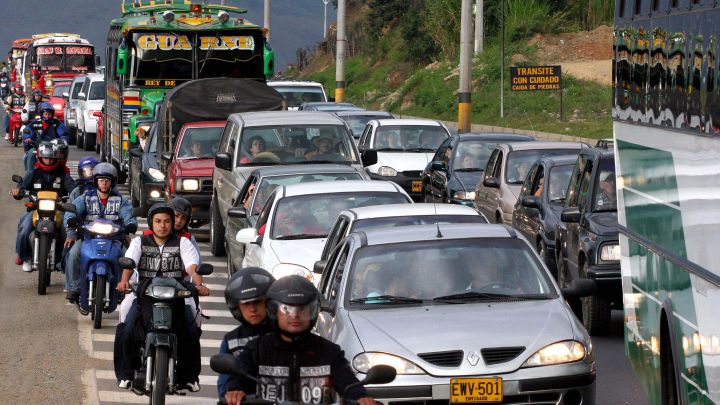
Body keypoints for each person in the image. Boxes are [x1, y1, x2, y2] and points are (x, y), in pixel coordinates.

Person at [226, 275, 375, 405]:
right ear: (274, 311)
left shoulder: (329, 351)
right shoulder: (257, 349)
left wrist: (360, 397)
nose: (295, 315)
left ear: (312, 310)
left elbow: (348, 382)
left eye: (302, 309)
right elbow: (240, 375)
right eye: (287, 309)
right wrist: (235, 390)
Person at [113, 203, 210, 392]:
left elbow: (192, 267)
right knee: (126, 330)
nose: (163, 225)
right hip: (143, 294)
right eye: (158, 221)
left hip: (176, 295)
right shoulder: (139, 242)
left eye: (167, 221)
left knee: (191, 332)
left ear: (173, 223)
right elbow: (129, 263)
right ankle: (125, 374)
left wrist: (199, 284)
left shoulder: (183, 242)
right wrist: (124, 281)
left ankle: (189, 377)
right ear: (151, 223)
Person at [63, 163, 136, 308]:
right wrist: (71, 221)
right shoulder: (85, 198)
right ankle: (73, 288)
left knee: (128, 259)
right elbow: (72, 210)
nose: (104, 183)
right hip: (88, 238)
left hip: (114, 239)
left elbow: (128, 214)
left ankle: (123, 288)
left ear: (112, 181)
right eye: (101, 179)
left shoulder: (121, 200)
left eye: (107, 180)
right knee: (73, 255)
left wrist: (130, 223)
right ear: (96, 181)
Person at [10, 141, 74, 272]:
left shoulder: (63, 174)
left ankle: (63, 260)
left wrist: (76, 194)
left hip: (58, 210)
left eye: (51, 158)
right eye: (46, 158)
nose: (49, 161)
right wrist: (18, 191)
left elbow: (73, 189)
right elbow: (22, 186)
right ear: (40, 157)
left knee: (66, 231)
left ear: (56, 158)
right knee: (24, 227)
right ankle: (25, 257)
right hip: (35, 209)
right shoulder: (34, 173)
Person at [218, 267, 276, 402]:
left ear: (268, 302)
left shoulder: (284, 334)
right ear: (237, 307)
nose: (253, 309)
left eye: (257, 302)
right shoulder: (230, 340)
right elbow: (225, 382)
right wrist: (231, 392)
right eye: (246, 304)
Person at [22, 102, 68, 174]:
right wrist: (28, 138)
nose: (47, 116)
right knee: (30, 154)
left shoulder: (57, 123)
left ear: (52, 114)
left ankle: (63, 175)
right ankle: (29, 174)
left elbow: (64, 134)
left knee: (62, 159)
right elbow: (27, 132)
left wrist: (63, 140)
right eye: (45, 114)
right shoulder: (34, 123)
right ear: (41, 114)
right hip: (37, 148)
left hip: (54, 149)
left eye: (49, 114)